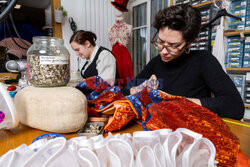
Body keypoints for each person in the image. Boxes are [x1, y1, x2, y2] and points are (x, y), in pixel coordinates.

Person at [123, 4, 244, 120]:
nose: (164, 51)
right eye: (160, 42)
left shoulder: (203, 60)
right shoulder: (156, 63)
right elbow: (125, 90)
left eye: (173, 46)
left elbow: (235, 106)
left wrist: (178, 102)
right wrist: (138, 89)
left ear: (188, 43)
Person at [109, 0, 134, 87]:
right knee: (114, 78)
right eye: (115, 8)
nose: (116, 11)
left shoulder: (129, 27)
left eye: (118, 8)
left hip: (124, 57)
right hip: (113, 55)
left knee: (125, 80)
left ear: (123, 10)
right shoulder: (110, 28)